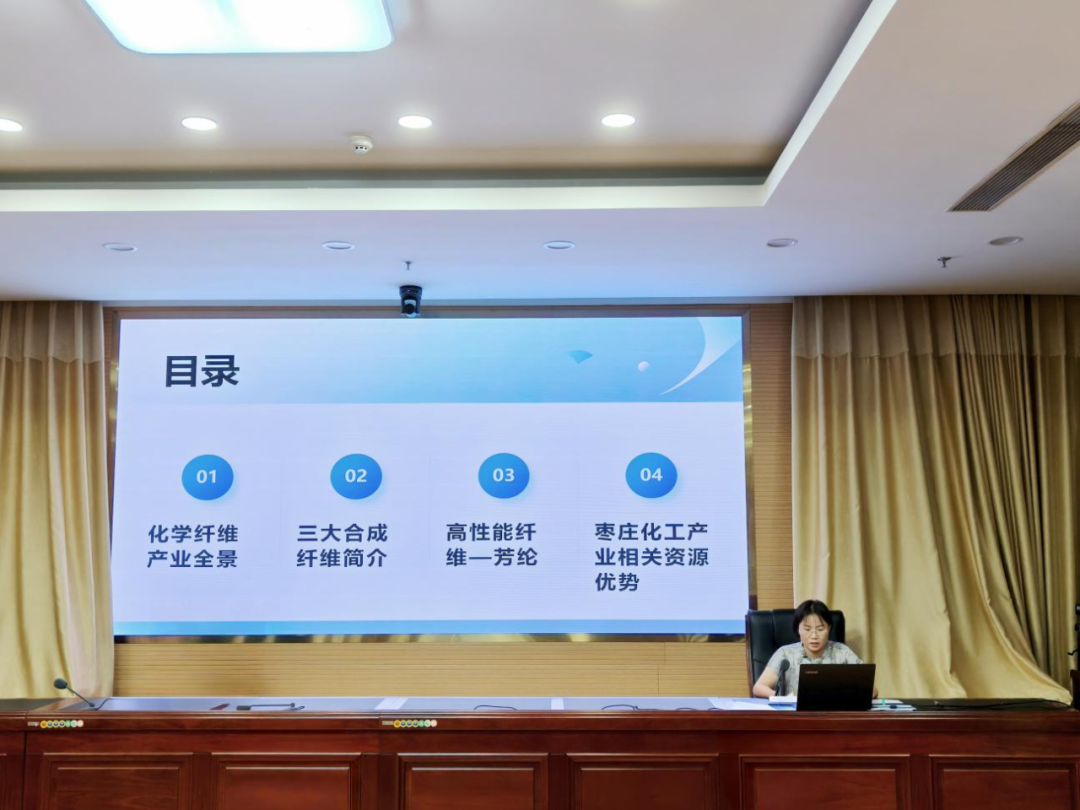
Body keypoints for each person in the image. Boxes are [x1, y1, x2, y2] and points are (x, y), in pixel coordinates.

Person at [752, 599, 876, 698]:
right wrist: (782, 697)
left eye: (820, 629)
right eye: (807, 629)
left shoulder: (842, 652)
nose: (814, 636)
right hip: (796, 716)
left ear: (829, 628)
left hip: (833, 716)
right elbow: (759, 687)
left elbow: (873, 690)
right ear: (798, 629)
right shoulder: (785, 654)